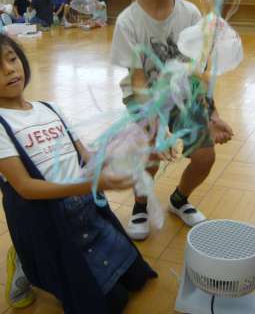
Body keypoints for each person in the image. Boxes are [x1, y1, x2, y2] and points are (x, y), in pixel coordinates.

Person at [0, 34, 157, 313]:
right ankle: (24, 259)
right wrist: (88, 184)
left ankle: (29, 254)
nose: (9, 69)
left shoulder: (50, 109)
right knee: (111, 302)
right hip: (49, 224)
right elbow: (25, 187)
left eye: (12, 59)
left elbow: (87, 158)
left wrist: (131, 151)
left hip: (85, 213)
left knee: (138, 278)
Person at [110, 0, 233, 240]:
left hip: (183, 93)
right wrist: (154, 122)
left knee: (205, 156)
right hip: (144, 96)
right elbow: (138, 79)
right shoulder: (128, 21)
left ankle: (179, 200)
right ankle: (140, 206)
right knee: (149, 155)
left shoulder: (189, 13)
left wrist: (212, 113)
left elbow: (197, 71)